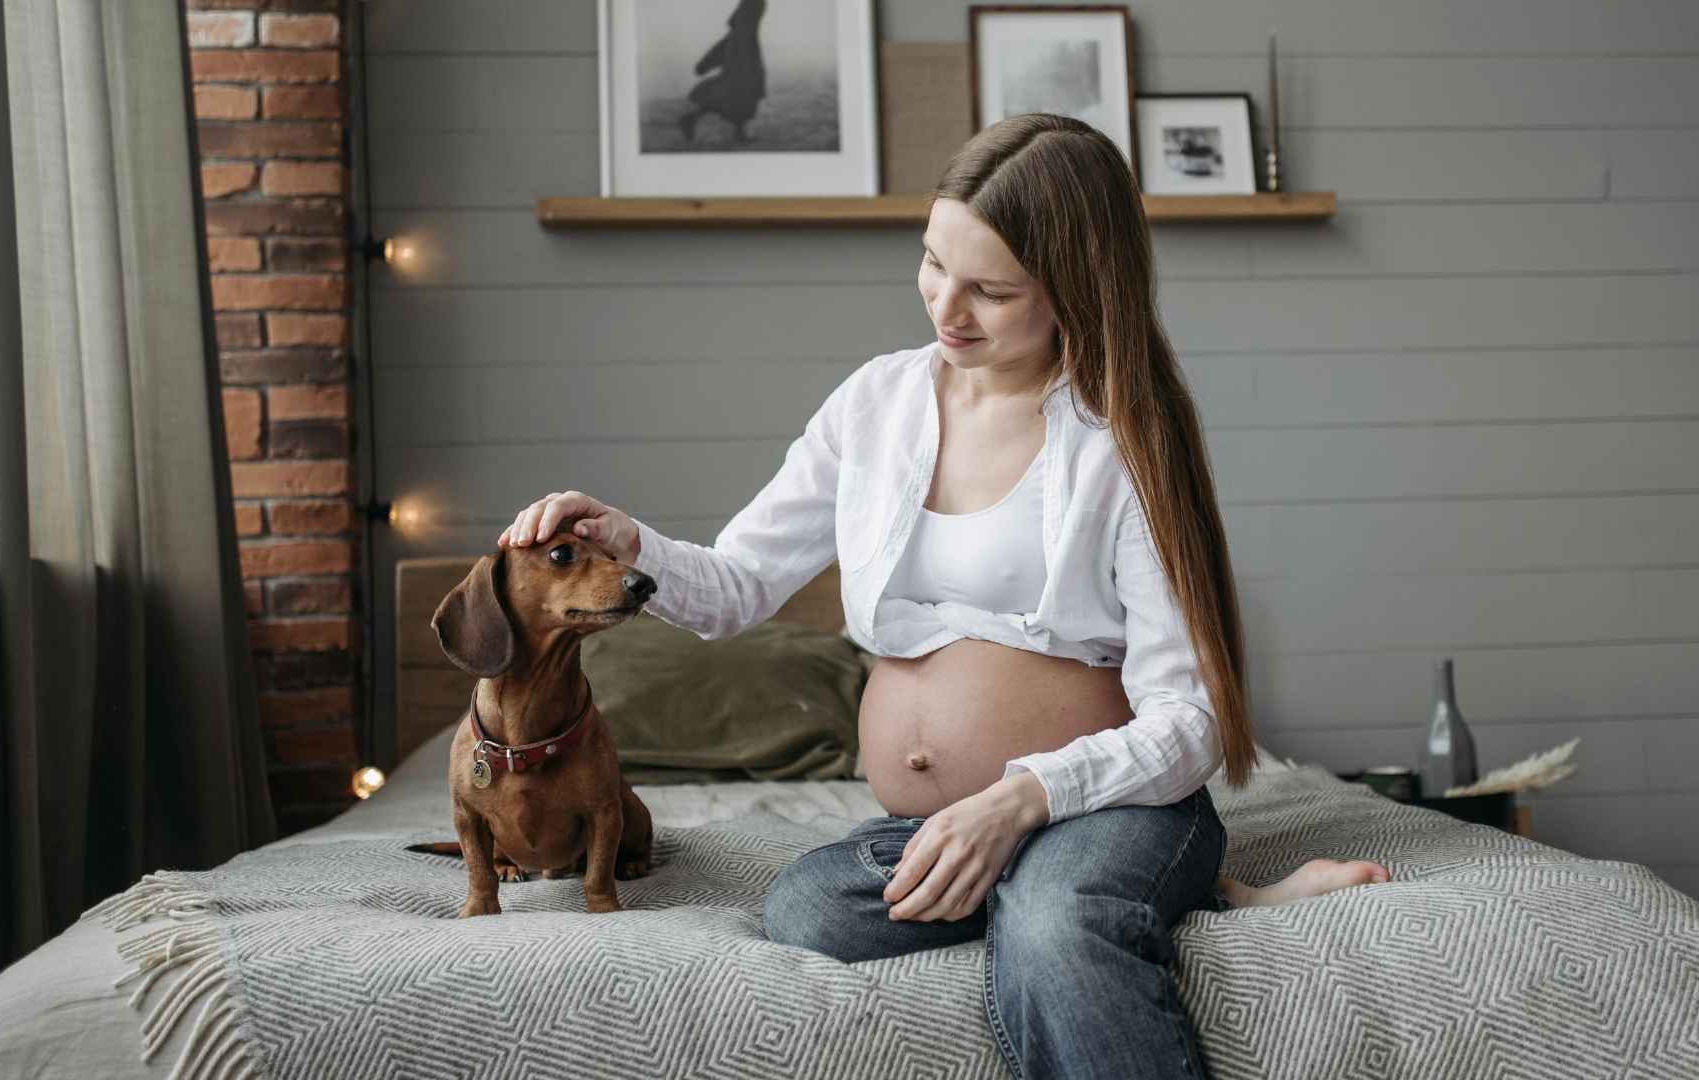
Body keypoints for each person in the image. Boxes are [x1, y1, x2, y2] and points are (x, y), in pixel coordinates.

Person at [497, 112, 1391, 1079]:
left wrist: (1017, 802)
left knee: (1054, 926)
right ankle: (1197, 891)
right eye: (932, 264)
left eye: (992, 290)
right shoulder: (875, 404)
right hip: (931, 819)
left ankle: (1130, 876)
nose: (946, 308)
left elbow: (1192, 721)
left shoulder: (1121, 442)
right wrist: (634, 543)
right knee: (808, 908)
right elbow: (741, 584)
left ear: (1077, 290)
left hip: (1109, 802)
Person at [677, 0, 765, 145]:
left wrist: (706, 63)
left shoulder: (753, 6)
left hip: (746, 50)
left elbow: (734, 33)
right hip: (743, 53)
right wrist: (707, 63)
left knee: (741, 93)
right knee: (738, 92)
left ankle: (738, 132)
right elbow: (736, 33)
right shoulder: (752, 6)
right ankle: (690, 119)